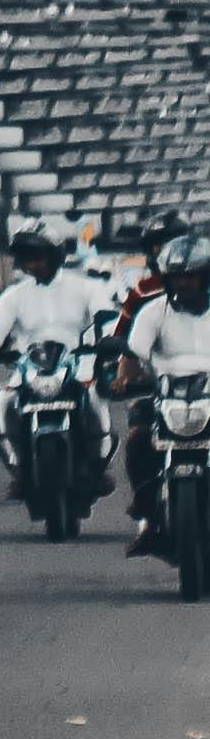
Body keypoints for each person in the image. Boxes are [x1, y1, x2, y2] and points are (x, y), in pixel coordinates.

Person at [0, 225, 99, 498]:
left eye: (38, 256)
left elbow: (106, 318)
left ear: (54, 255)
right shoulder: (14, 296)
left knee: (93, 396)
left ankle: (97, 462)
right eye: (26, 258)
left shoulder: (85, 288)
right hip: (29, 368)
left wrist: (104, 343)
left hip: (77, 364)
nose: (33, 264)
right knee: (5, 399)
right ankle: (19, 466)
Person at [122, 231, 210, 558]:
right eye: (177, 278)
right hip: (165, 397)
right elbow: (134, 352)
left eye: (191, 277)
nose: (184, 284)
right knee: (136, 438)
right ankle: (146, 510)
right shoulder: (153, 312)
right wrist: (126, 378)